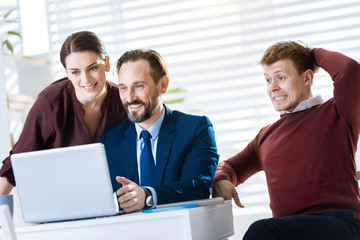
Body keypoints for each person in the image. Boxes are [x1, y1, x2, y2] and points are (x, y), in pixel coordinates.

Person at [212, 41, 360, 239]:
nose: (273, 87)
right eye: (267, 80)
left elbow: (349, 70)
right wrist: (221, 179)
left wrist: (311, 53)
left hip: (341, 224)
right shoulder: (266, 136)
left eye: (281, 77)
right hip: (290, 231)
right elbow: (230, 167)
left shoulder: (338, 112)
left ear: (307, 77)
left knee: (262, 230)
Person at [0, 31, 127, 195]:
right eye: (75, 72)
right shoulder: (50, 103)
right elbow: (16, 162)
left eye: (93, 68)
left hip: (115, 199)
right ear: (67, 72)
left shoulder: (123, 101)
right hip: (58, 198)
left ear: (107, 63)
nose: (86, 80)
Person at [102, 49, 219, 213]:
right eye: (123, 88)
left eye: (139, 86)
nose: (130, 98)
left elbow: (198, 187)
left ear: (163, 85)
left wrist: (147, 196)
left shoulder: (196, 129)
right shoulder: (110, 140)